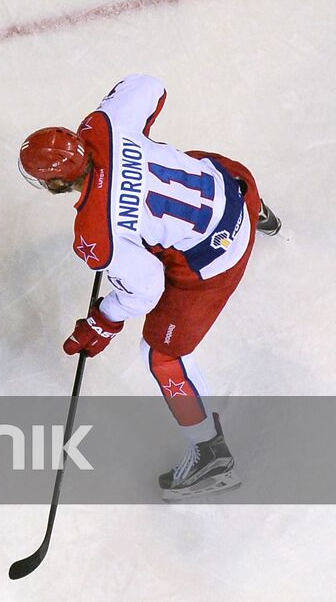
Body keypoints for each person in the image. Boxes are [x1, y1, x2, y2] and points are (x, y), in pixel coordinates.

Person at [19, 74, 281, 500]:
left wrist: (103, 320)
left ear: (55, 184)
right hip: (237, 189)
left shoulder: (93, 235)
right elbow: (149, 85)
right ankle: (262, 214)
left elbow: (146, 291)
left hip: (218, 261)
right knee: (189, 162)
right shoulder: (104, 125)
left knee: (162, 355)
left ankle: (211, 454)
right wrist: (115, 132)